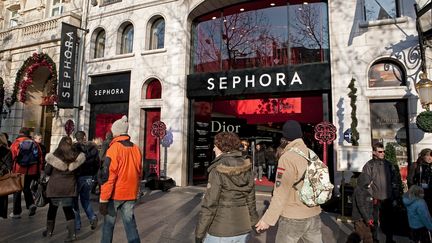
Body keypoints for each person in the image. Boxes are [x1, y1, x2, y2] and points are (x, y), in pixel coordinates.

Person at [255, 120, 322, 243]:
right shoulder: (311, 153)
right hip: (314, 213)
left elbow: (281, 192)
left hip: (293, 216)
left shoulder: (287, 157)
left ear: (285, 136)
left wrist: (268, 219)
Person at [195, 132, 259, 243]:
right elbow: (251, 200)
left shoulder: (217, 169)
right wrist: (253, 221)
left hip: (221, 230)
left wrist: (199, 234)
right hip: (243, 228)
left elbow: (210, 204)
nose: (214, 149)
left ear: (221, 147)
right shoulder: (247, 166)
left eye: (215, 146)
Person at [98, 116, 142, 243]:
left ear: (116, 132)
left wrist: (103, 199)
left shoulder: (114, 149)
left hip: (115, 194)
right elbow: (139, 173)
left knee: (108, 225)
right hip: (130, 193)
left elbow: (109, 176)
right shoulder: (136, 149)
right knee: (130, 224)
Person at [43, 136, 86, 241]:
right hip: (69, 187)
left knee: (52, 209)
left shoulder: (55, 155)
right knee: (68, 210)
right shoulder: (75, 155)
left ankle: (49, 231)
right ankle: (72, 235)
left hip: (55, 187)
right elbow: (79, 172)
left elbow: (47, 171)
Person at [362, 142, 398, 243]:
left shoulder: (389, 164)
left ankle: (389, 239)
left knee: (388, 221)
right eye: (380, 151)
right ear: (374, 152)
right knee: (374, 221)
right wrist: (370, 196)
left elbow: (394, 181)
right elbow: (365, 183)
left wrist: (394, 197)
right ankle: (374, 239)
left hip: (388, 198)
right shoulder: (369, 165)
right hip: (375, 198)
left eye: (383, 151)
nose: (383, 153)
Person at [10, 127, 43, 218]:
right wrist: (38, 170)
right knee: (26, 188)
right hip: (32, 171)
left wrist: (11, 169)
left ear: (20, 133)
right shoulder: (35, 144)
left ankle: (16, 213)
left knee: (17, 190)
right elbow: (40, 158)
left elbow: (12, 157)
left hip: (19, 170)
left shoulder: (16, 143)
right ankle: (31, 204)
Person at [73, 131, 100, 231]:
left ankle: (77, 224)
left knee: (74, 201)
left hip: (77, 177)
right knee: (86, 200)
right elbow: (97, 163)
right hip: (88, 177)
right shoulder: (93, 148)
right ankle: (92, 217)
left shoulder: (74, 148)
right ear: (84, 137)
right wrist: (93, 174)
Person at [351, 173, 374, 243]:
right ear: (364, 182)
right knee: (358, 236)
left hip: (365, 218)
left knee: (368, 236)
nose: (370, 184)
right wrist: (367, 218)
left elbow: (369, 206)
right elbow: (361, 206)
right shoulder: (359, 191)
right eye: (369, 183)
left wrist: (370, 217)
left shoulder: (365, 190)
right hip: (359, 219)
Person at [408, 148, 432, 212]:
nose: (430, 158)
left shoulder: (430, 166)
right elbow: (410, 180)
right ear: (422, 156)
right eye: (427, 155)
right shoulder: (416, 165)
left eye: (431, 156)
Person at [0, 133, 12, 219]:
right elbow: (9, 166)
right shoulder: (7, 151)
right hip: (3, 177)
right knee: (2, 197)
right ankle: (1, 214)